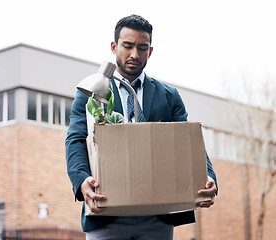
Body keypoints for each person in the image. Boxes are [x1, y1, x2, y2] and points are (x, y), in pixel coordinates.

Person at [65, 14, 217, 240]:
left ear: (150, 51)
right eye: (127, 46)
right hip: (106, 212)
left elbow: (189, 143)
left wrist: (208, 176)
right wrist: (81, 180)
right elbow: (76, 140)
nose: (135, 54)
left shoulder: (169, 96)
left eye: (142, 48)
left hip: (157, 218)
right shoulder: (92, 91)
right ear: (114, 46)